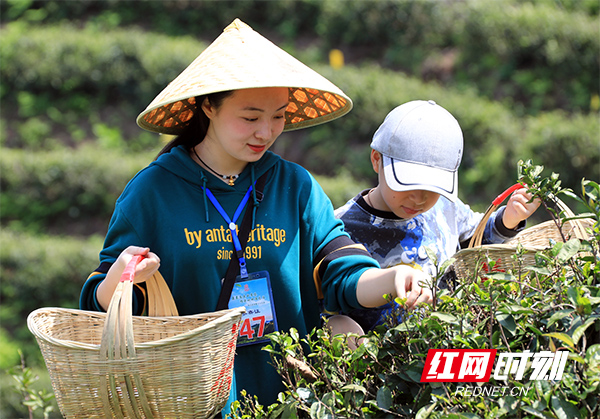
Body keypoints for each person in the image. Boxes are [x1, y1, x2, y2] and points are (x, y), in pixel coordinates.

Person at [79, 19, 432, 416]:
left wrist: (392, 279)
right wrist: (120, 278)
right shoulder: (152, 193)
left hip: (293, 399)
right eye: (250, 117)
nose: (266, 132)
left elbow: (341, 272)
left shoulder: (294, 186)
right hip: (192, 402)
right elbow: (99, 309)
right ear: (208, 106)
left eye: (278, 116)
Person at [334, 99, 540, 333]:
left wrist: (509, 219)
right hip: (382, 359)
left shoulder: (445, 208)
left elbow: (475, 241)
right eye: (407, 184)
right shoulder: (341, 228)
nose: (419, 199)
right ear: (376, 160)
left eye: (433, 188)